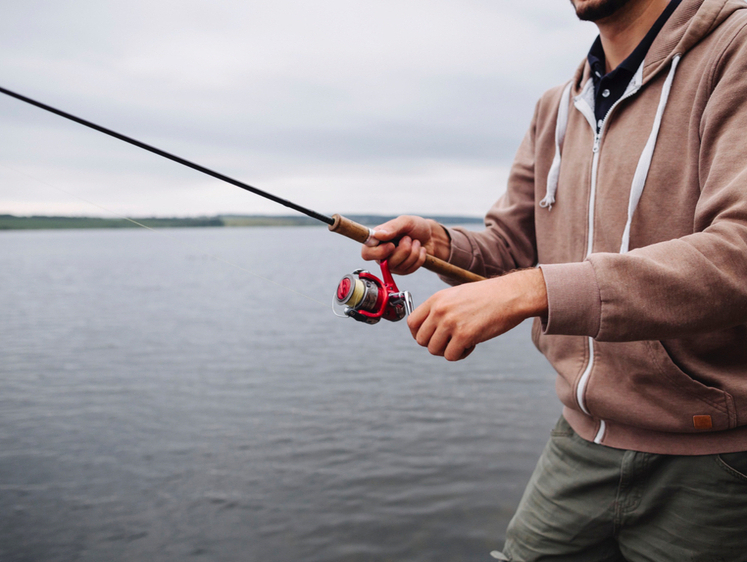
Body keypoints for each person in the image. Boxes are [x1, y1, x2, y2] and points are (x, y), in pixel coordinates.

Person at [361, 0, 747, 560]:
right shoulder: (555, 108)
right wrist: (443, 244)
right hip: (581, 440)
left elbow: (737, 254)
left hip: (717, 453)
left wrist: (534, 290)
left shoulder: (734, 49)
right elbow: (511, 249)